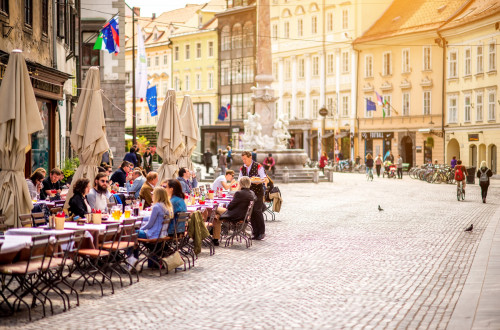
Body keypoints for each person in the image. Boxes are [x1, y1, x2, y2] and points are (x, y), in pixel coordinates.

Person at [239, 150, 266, 240]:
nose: (244, 161)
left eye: (245, 159)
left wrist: (260, 180)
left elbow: (263, 178)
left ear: (250, 158)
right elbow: (240, 180)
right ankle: (255, 232)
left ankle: (261, 232)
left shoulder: (258, 166)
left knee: (257, 211)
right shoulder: (242, 168)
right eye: (243, 159)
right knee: (251, 212)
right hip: (248, 193)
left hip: (258, 192)